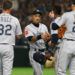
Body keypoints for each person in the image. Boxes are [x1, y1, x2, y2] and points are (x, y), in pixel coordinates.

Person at [52, 0, 75, 75]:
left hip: (67, 44)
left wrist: (53, 19)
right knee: (73, 71)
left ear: (73, 6)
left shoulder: (67, 15)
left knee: (61, 71)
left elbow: (54, 26)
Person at [25, 9, 50, 75]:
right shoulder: (28, 27)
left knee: (37, 73)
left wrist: (48, 38)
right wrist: (40, 36)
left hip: (43, 52)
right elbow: (30, 39)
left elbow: (47, 40)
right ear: (32, 17)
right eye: (36, 16)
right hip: (34, 52)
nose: (37, 18)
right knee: (39, 73)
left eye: (39, 16)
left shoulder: (44, 26)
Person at [0, 1, 22, 75]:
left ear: (2, 7)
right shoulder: (15, 20)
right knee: (7, 72)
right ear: (10, 8)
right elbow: (19, 35)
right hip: (8, 46)